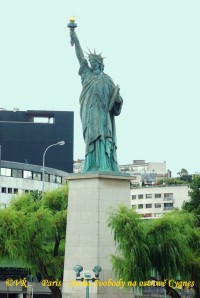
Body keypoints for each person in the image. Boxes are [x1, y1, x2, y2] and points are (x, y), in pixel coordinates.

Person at [70, 30, 123, 172]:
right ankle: (91, 164)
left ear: (100, 63)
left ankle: (104, 164)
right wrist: (76, 40)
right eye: (91, 62)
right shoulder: (86, 74)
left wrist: (118, 99)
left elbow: (115, 100)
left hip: (102, 115)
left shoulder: (107, 79)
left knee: (102, 138)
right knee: (90, 138)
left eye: (94, 62)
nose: (92, 64)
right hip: (89, 112)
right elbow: (80, 58)